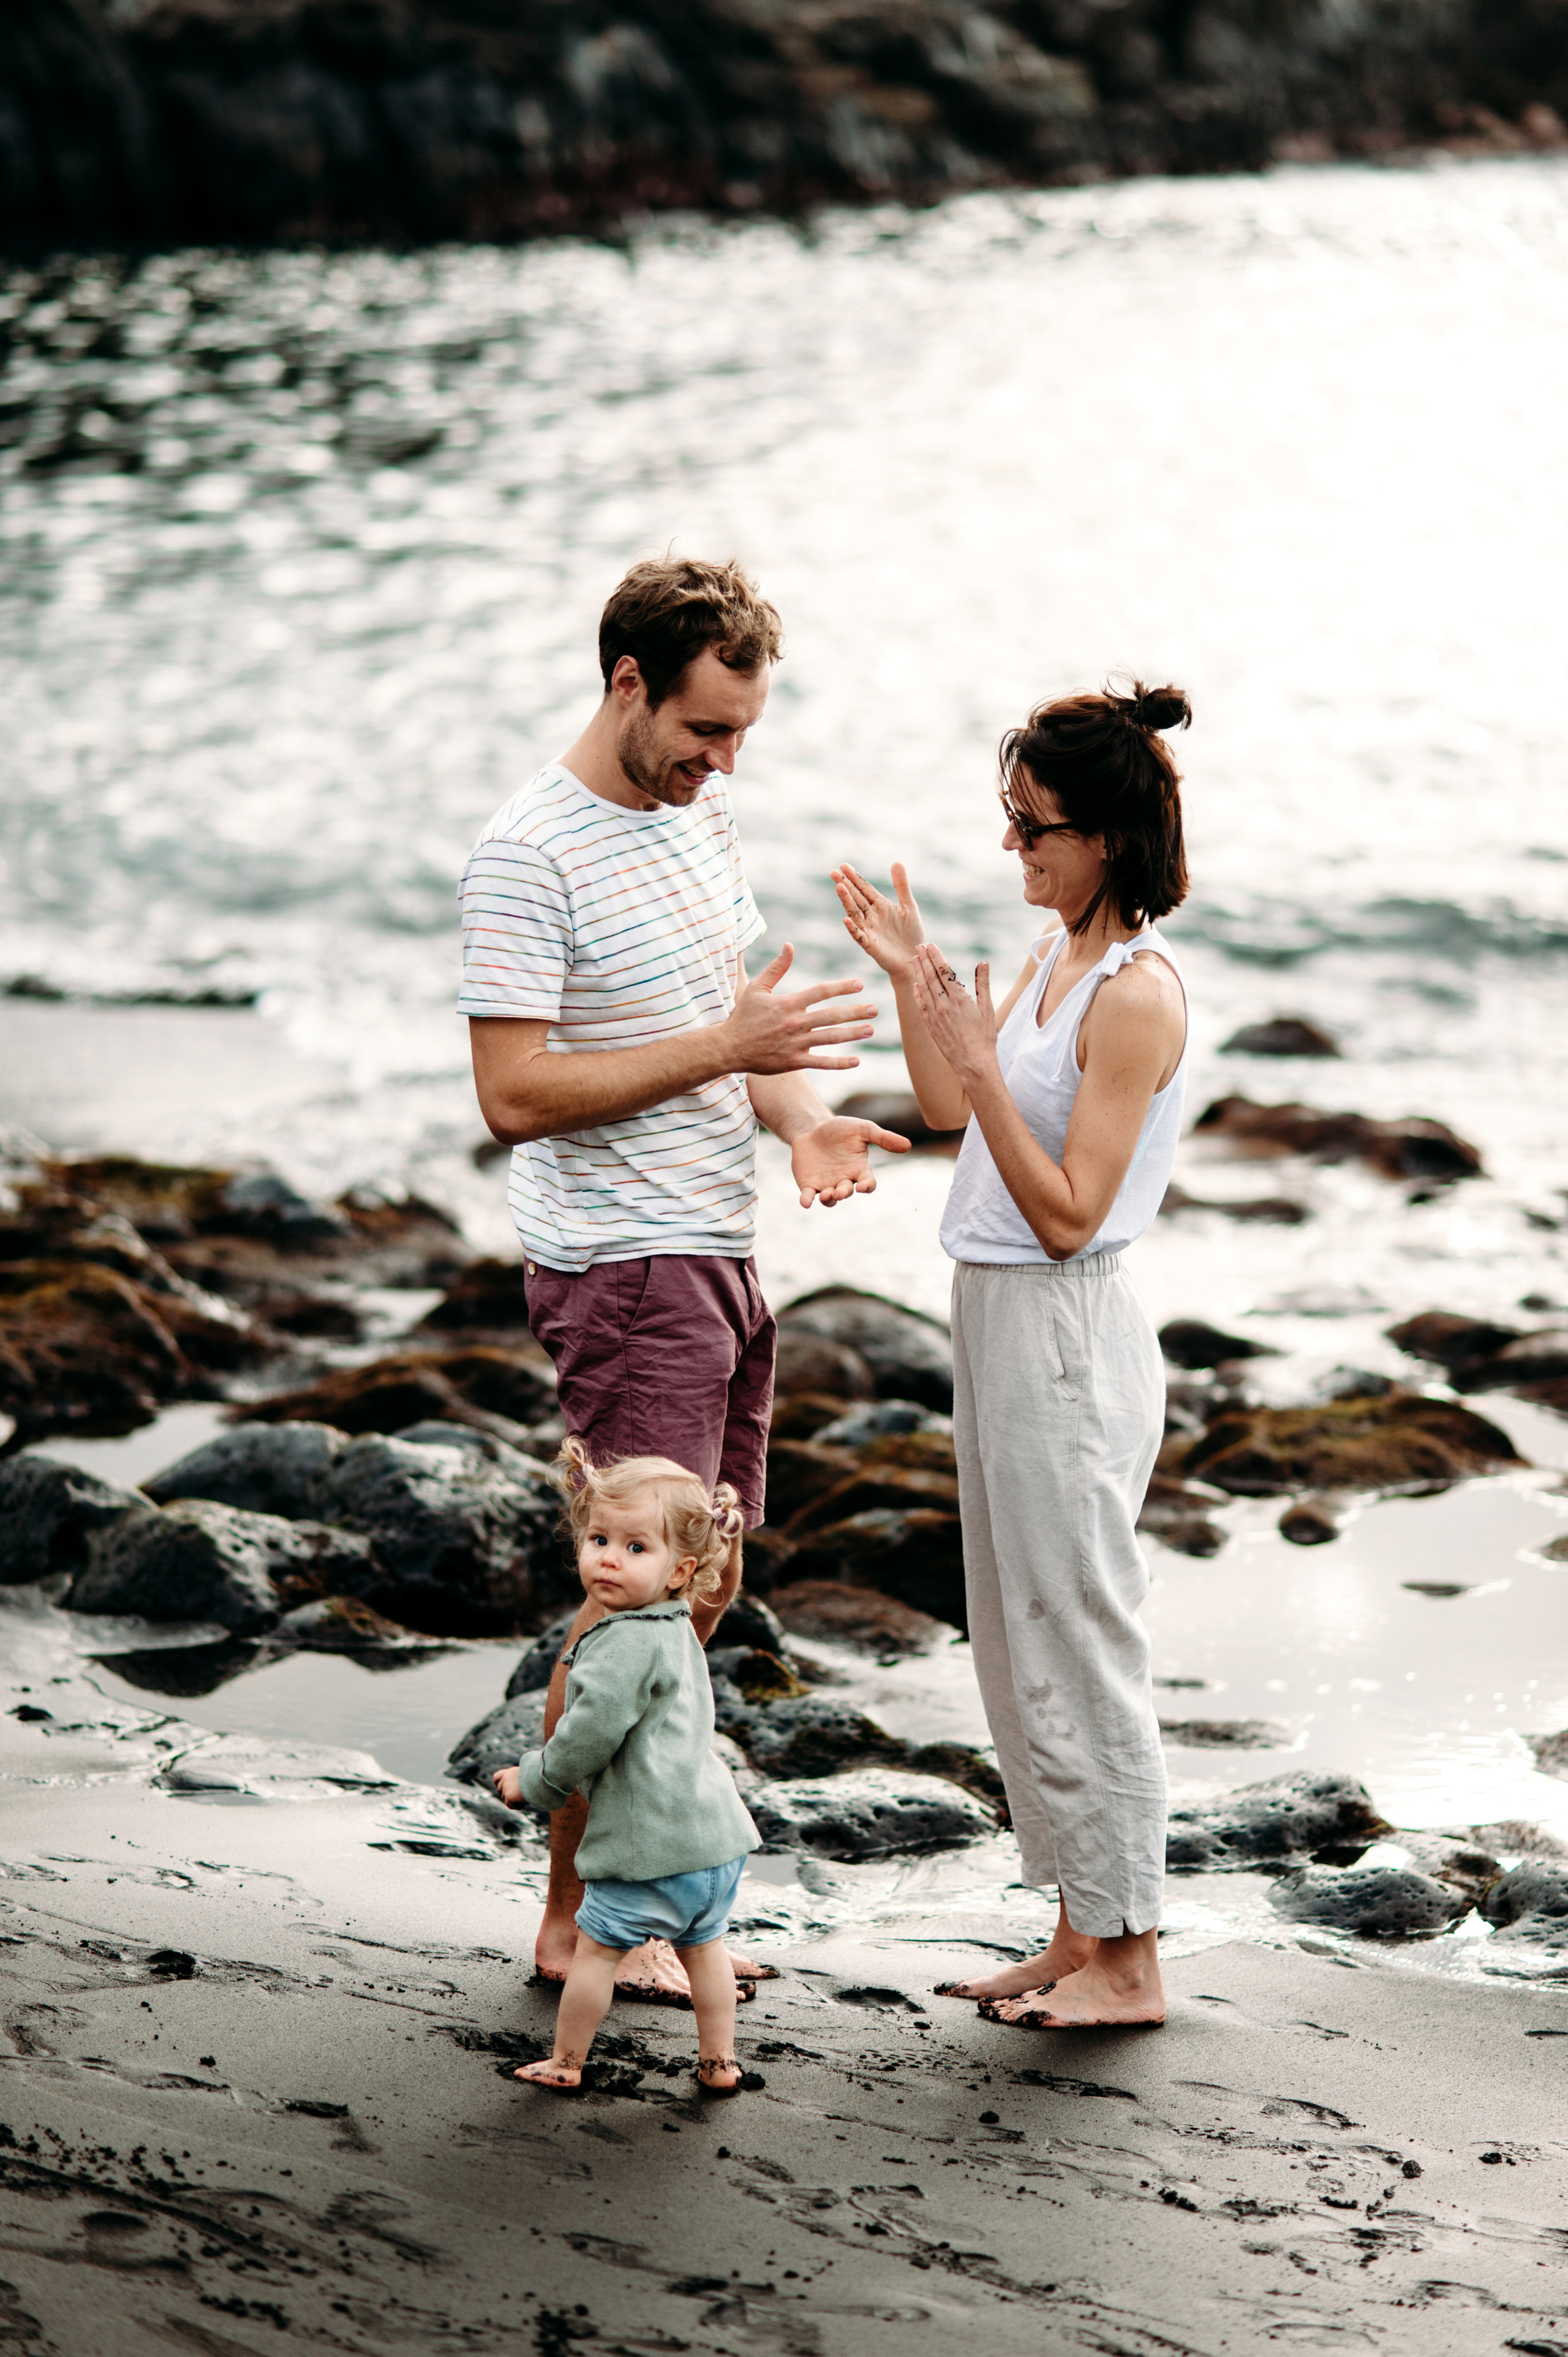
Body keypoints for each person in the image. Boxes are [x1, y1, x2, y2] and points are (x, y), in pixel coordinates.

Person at [460, 554, 909, 2004]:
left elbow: (734, 1032)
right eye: (703, 730)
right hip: (622, 1267)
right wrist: (728, 1051)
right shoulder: (526, 854)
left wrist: (798, 1122)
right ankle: (576, 1924)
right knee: (635, 1610)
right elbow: (514, 1095)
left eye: (743, 736)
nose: (721, 762)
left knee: (696, 1595)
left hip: (712, 1247)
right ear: (625, 683)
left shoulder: (696, 812)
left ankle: (625, 1899)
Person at [832, 679, 1191, 2031]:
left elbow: (1066, 1215)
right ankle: (1074, 1926)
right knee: (1014, 1631)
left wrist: (979, 1066)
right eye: (1008, 820)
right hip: (989, 1312)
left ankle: (1133, 1962)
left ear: (1102, 837)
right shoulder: (1048, 959)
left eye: (1031, 827)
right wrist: (914, 980)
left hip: (1065, 1326)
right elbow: (944, 1111)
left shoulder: (1135, 997)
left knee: (1081, 1636)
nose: (1011, 849)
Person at [495, 1442, 759, 2095]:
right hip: (716, 1842)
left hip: (651, 1849)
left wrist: (533, 1780)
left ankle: (565, 2060)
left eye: (636, 1547)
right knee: (706, 1953)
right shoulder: (677, 1629)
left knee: (595, 1954)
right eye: (599, 1538)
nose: (609, 1557)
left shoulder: (620, 1645)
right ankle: (719, 2062)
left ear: (680, 1569)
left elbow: (586, 1737)